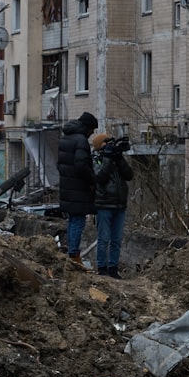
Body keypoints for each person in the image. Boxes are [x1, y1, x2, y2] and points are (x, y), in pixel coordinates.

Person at [91, 133, 134, 278]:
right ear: (99, 146)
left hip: (119, 204)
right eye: (105, 143)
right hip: (104, 204)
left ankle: (113, 268)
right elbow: (100, 177)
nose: (108, 145)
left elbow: (129, 175)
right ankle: (102, 268)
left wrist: (119, 158)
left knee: (117, 239)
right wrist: (108, 158)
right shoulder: (96, 159)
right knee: (104, 238)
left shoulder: (115, 159)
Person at [58, 112, 97, 266]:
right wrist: (92, 180)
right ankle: (74, 255)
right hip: (78, 188)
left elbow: (61, 164)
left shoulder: (66, 138)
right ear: (87, 128)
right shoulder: (81, 140)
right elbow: (81, 166)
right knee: (78, 221)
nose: (92, 133)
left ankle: (72, 253)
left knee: (72, 220)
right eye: (92, 130)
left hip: (67, 186)